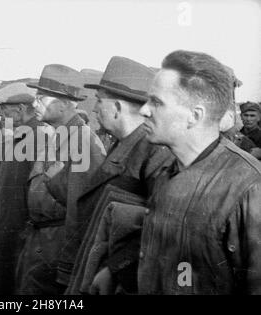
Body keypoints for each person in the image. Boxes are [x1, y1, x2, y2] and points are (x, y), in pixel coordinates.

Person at [138, 50, 261, 294]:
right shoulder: (166, 171)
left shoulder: (250, 187)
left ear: (194, 116)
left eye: (157, 102)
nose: (143, 110)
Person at [65, 56, 174, 295]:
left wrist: (115, 268)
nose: (94, 109)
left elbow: (163, 226)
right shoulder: (126, 144)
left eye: (99, 101)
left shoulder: (155, 152)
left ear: (116, 108)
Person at [16, 64, 106, 295]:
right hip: (42, 239)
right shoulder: (59, 135)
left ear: (64, 105)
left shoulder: (83, 141)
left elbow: (87, 210)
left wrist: (69, 262)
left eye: (42, 99)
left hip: (58, 243)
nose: (34, 104)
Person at [0, 81, 44, 295]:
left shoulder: (37, 138)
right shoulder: (19, 135)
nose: (0, 114)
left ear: (19, 110)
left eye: (4, 109)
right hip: (9, 228)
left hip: (19, 232)